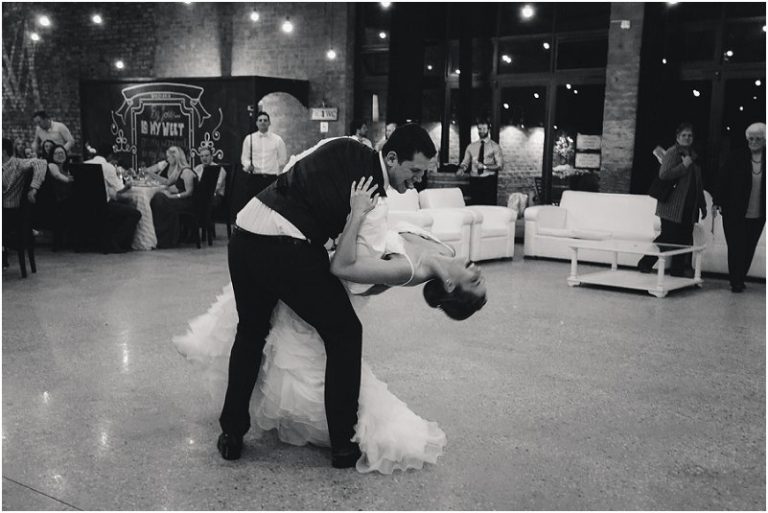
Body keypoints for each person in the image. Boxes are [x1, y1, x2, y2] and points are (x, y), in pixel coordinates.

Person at [174, 177, 486, 473]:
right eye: (480, 278)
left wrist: (355, 216)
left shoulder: (407, 269)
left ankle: (315, 434)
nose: (478, 272)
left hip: (324, 276)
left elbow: (350, 275)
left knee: (277, 340)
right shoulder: (446, 250)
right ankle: (235, 425)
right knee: (255, 330)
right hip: (295, 250)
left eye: (473, 282)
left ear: (449, 286)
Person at [216, 123, 437, 468]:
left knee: (250, 331)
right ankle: (343, 446)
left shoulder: (343, 142)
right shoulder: (374, 202)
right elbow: (352, 275)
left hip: (245, 231)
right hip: (287, 247)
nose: (417, 181)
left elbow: (294, 165)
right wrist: (395, 270)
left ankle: (231, 433)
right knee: (345, 332)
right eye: (415, 171)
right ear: (392, 158)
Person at [637, 122, 707, 277]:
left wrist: (702, 205)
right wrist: (684, 165)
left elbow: (698, 183)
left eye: (690, 135)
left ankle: (677, 270)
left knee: (684, 240)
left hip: (688, 207)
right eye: (684, 135)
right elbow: (664, 174)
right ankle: (645, 263)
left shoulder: (694, 155)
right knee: (668, 237)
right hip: (671, 206)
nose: (687, 138)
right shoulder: (672, 152)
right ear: (677, 137)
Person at [713, 122, 766, 292]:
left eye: (758, 139)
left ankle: (740, 277)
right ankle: (735, 281)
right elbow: (722, 179)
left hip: (758, 214)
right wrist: (717, 201)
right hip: (734, 211)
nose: (754, 142)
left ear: (765, 140)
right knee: (736, 247)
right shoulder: (736, 156)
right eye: (751, 138)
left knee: (749, 247)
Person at [85, 146, 142, 253]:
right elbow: (119, 189)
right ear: (110, 156)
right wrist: (128, 186)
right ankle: (115, 242)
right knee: (135, 214)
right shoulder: (108, 167)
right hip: (103, 205)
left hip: (85, 206)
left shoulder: (84, 164)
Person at [234, 111, 288, 217]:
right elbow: (244, 158)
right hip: (254, 178)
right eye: (260, 120)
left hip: (271, 179)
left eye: (265, 120)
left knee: (270, 207)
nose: (263, 122)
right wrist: (248, 166)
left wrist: (273, 168)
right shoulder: (249, 139)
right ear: (256, 123)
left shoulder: (277, 140)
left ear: (269, 123)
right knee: (253, 207)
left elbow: (282, 159)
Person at [2, 138, 47, 262]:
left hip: (11, 213)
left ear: (3, 151)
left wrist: (33, 188)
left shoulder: (17, 164)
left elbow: (41, 163)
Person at [146, 146, 196, 249]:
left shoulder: (186, 171)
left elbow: (189, 193)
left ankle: (166, 238)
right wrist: (152, 174)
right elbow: (167, 182)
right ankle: (158, 236)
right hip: (180, 199)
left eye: (168, 157)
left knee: (159, 199)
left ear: (175, 157)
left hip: (186, 202)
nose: (167, 159)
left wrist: (172, 196)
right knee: (158, 197)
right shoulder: (178, 170)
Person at [46, 145, 76, 250]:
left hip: (66, 198)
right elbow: (57, 176)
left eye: (62, 153)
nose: (60, 155)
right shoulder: (52, 165)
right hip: (56, 199)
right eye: (56, 153)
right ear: (52, 156)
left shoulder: (67, 167)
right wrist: (68, 180)